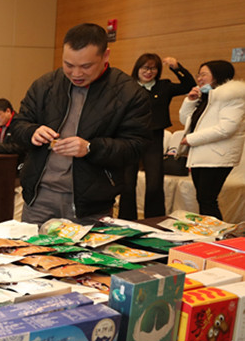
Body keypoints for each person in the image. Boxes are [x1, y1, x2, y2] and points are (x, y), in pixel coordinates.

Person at [13, 23, 151, 224]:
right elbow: (19, 124)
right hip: (39, 198)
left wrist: (90, 148)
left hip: (90, 204)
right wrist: (31, 132)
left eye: (86, 66)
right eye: (68, 65)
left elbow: (136, 147)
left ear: (105, 56)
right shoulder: (46, 85)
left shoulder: (129, 93)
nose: (76, 74)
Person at [119, 54, 195, 219]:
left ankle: (154, 220)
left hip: (154, 137)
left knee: (154, 183)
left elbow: (189, 85)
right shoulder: (128, 87)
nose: (148, 72)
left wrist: (177, 67)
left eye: (153, 68)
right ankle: (126, 220)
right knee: (127, 184)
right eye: (145, 68)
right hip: (129, 137)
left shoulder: (163, 86)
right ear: (137, 69)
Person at [178, 60, 245, 220]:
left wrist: (191, 139)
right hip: (202, 155)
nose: (199, 78)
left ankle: (217, 234)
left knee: (207, 200)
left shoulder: (232, 97)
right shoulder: (207, 97)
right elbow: (185, 120)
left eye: (204, 74)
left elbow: (226, 128)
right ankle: (209, 231)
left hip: (217, 157)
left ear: (217, 76)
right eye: (198, 75)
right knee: (203, 199)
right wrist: (190, 101)